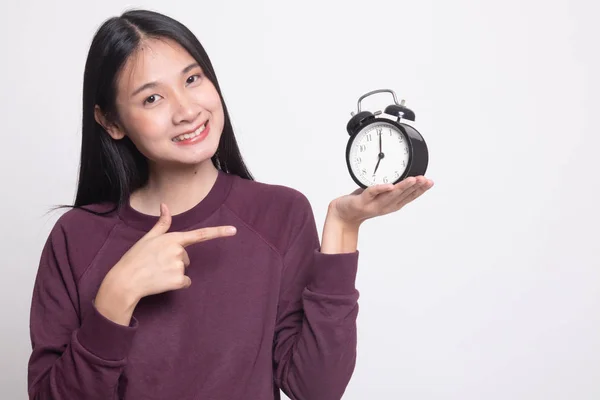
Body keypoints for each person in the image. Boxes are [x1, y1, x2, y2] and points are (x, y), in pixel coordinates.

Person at [26, 9, 434, 400]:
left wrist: (343, 229)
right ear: (111, 121)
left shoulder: (280, 215)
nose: (187, 110)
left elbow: (317, 389)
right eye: (152, 99)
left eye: (192, 79)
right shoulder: (75, 237)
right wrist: (116, 296)